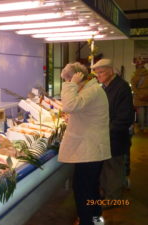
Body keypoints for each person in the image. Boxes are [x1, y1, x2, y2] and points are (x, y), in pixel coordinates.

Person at [58, 62, 111, 225]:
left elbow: (69, 105)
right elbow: (79, 108)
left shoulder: (92, 90)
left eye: (69, 80)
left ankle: (88, 221)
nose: (69, 84)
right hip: (90, 149)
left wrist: (71, 84)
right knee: (91, 188)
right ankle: (95, 220)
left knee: (84, 190)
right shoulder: (92, 89)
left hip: (89, 151)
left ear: (78, 77)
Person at [92, 59, 134, 202]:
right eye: (97, 73)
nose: (99, 76)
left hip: (115, 137)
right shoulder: (105, 87)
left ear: (110, 71)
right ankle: (107, 193)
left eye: (101, 72)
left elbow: (125, 118)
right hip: (106, 136)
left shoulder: (122, 88)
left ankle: (113, 198)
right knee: (106, 169)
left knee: (114, 169)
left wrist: (106, 131)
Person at [130, 58, 148, 132]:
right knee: (147, 111)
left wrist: (139, 94)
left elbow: (133, 87)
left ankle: (142, 127)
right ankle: (146, 126)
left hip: (139, 96)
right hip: (147, 95)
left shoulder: (135, 75)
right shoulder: (147, 74)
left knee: (140, 112)